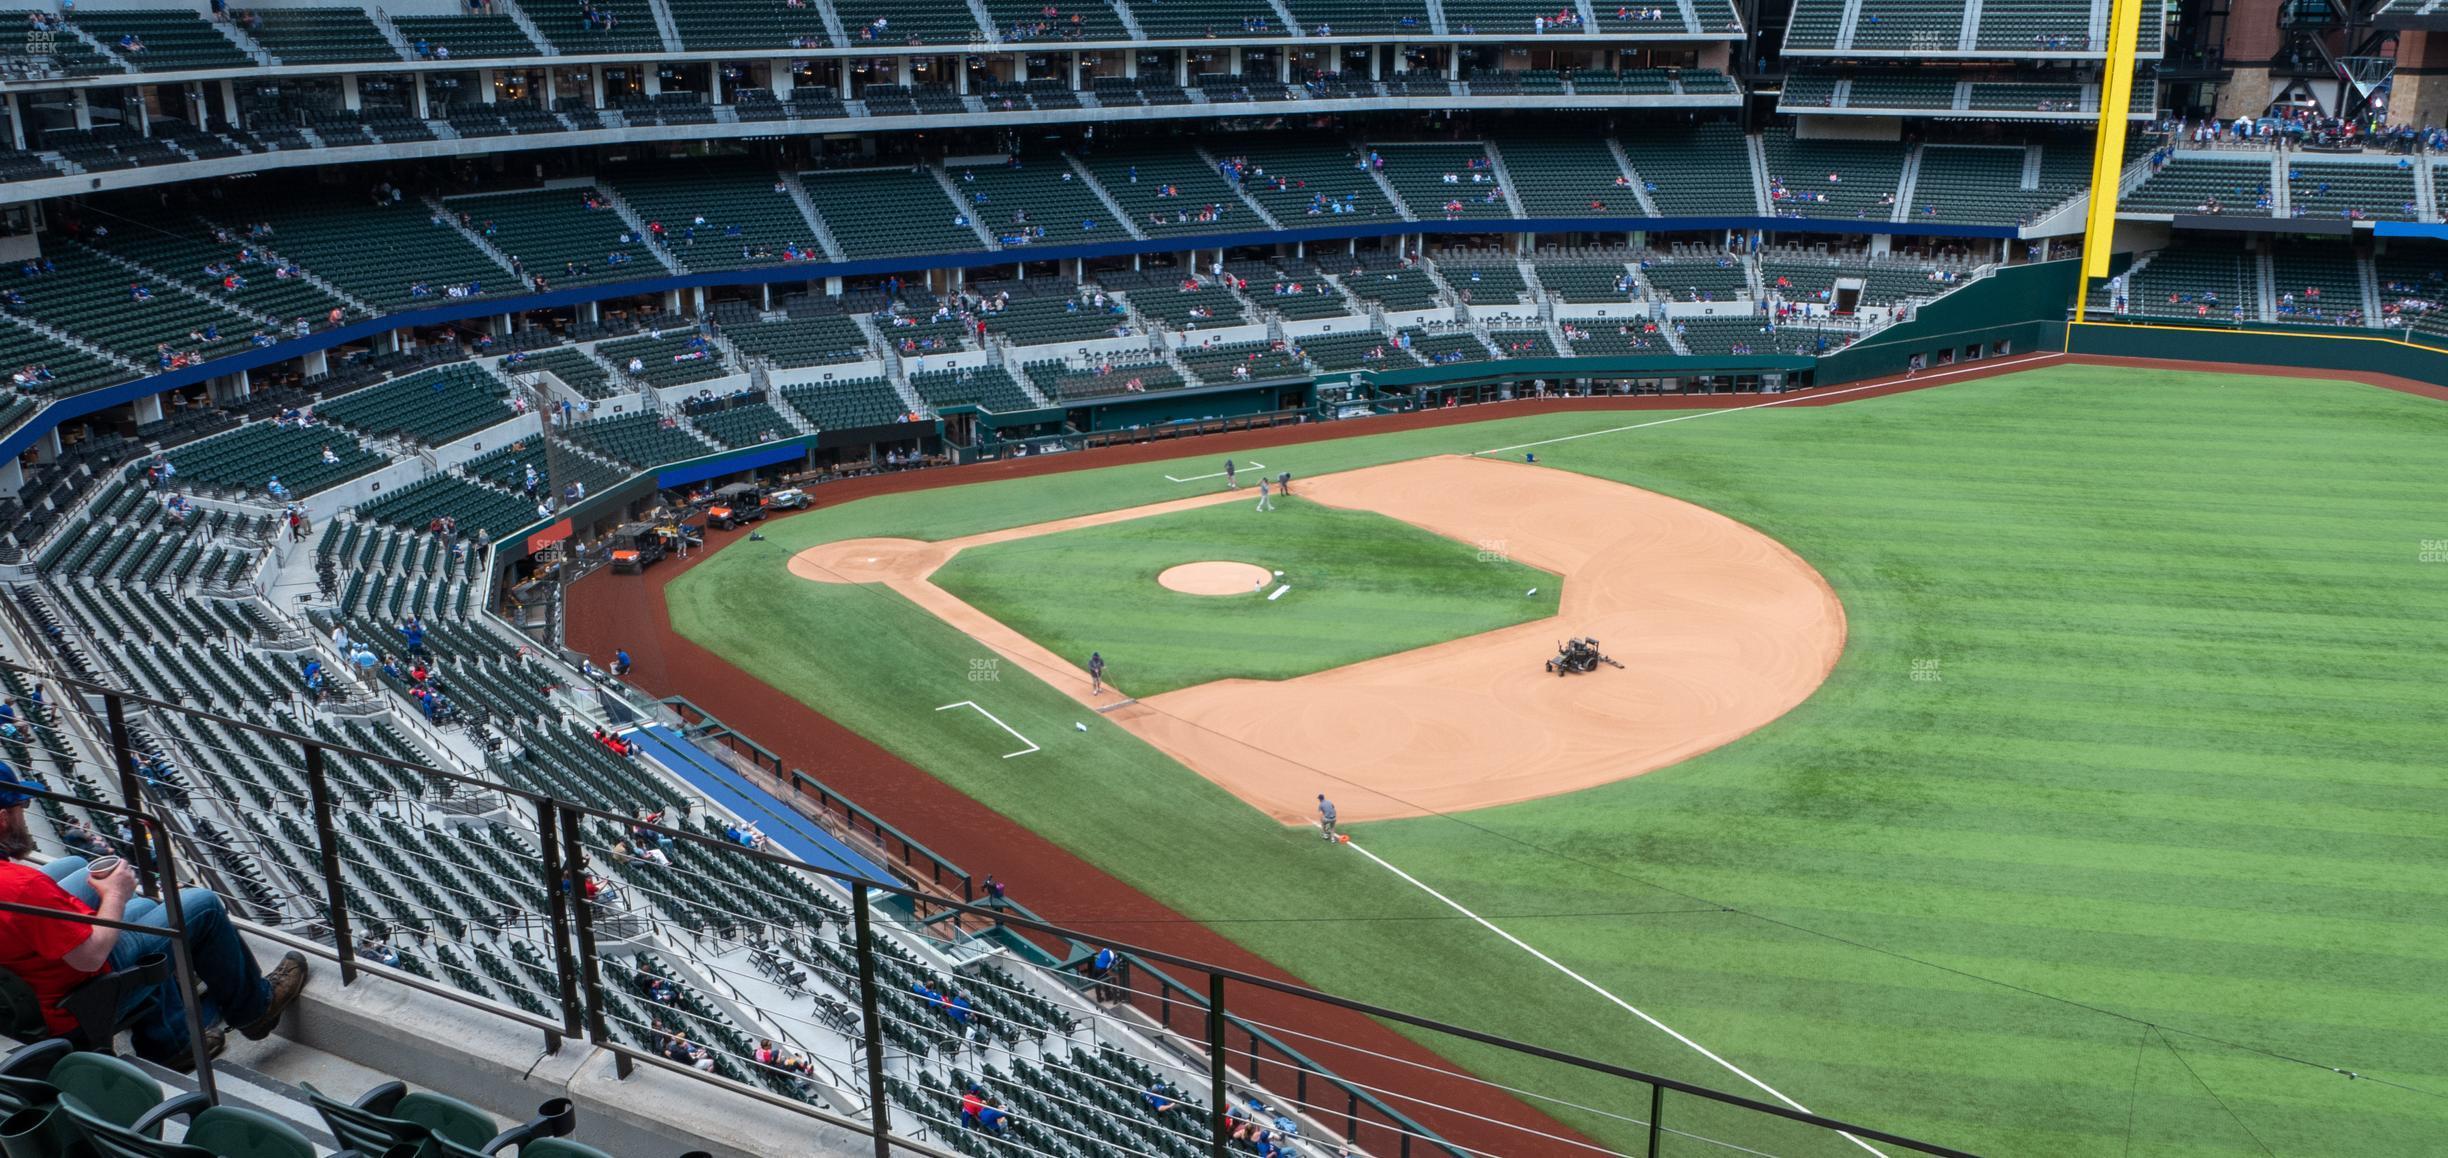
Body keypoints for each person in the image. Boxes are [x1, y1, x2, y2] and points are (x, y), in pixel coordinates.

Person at [0, 767, 308, 1069]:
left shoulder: (21, 886)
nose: (24, 815)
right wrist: (114, 895)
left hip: (25, 987)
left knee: (95, 878)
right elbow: (90, 957)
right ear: (2, 819)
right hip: (74, 1000)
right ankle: (255, 1010)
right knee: (201, 905)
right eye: (21, 806)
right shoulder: (23, 887)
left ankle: (170, 1039)